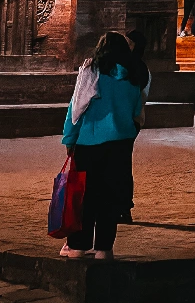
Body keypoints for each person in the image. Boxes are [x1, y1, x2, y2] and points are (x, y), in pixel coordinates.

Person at [58, 31, 145, 260]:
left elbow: (76, 108)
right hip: (120, 144)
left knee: (84, 196)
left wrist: (70, 138)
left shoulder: (91, 71)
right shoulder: (134, 75)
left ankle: (78, 246)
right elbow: (137, 111)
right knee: (110, 197)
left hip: (90, 142)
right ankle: (104, 248)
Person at [117, 30, 152, 225]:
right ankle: (123, 207)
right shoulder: (141, 67)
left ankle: (120, 206)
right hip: (134, 120)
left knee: (118, 165)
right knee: (123, 164)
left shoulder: (129, 68)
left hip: (125, 121)